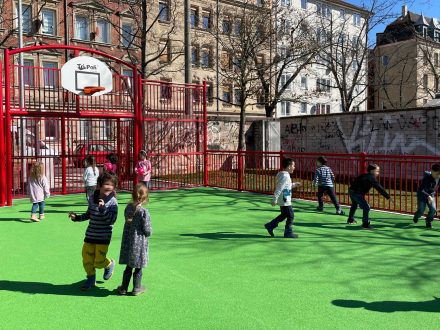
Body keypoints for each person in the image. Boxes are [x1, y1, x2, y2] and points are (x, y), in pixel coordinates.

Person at [68, 171, 118, 291]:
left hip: (103, 236)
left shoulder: (113, 202)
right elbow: (88, 214)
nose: (109, 187)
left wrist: (104, 210)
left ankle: (109, 263)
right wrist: (77, 218)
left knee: (99, 261)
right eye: (106, 184)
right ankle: (91, 278)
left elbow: (112, 220)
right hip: (90, 235)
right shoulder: (91, 199)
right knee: (87, 258)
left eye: (112, 185)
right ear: (99, 185)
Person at [117, 183, 152, 296]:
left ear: (132, 195)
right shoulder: (144, 212)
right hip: (139, 242)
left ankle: (123, 288)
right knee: (138, 265)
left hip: (129, 241)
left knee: (129, 264)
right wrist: (149, 233)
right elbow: (147, 228)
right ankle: (137, 288)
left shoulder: (128, 208)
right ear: (145, 198)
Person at [347, 164, 394, 230]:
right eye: (377, 171)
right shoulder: (372, 178)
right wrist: (388, 197)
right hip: (356, 193)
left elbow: (356, 183)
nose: (378, 173)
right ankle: (365, 224)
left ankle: (350, 219)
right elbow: (379, 188)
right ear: (372, 171)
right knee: (366, 207)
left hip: (351, 191)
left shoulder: (364, 175)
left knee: (355, 204)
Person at [264, 158, 302, 238]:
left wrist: (295, 184)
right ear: (289, 167)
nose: (294, 167)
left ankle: (271, 225)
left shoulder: (285, 175)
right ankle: (288, 232)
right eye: (293, 166)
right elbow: (279, 188)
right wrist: (274, 199)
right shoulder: (285, 176)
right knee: (291, 215)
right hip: (285, 198)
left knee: (284, 214)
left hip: (284, 197)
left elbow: (287, 185)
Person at [413, 164, 440, 228]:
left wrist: (430, 196)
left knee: (433, 209)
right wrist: (428, 196)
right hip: (422, 196)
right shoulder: (426, 179)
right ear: (432, 171)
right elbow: (420, 190)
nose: (437, 176)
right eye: (436, 174)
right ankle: (416, 215)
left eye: (439, 175)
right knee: (421, 212)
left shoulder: (438, 178)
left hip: (431, 195)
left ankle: (428, 221)